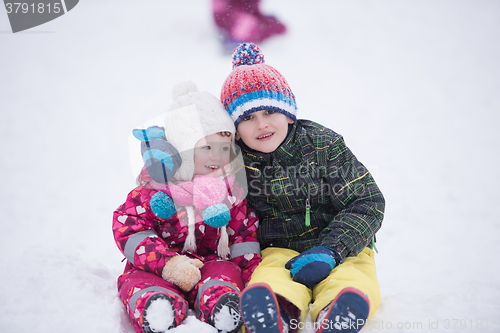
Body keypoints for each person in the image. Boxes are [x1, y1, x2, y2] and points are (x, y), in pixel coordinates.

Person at [218, 43, 385, 333]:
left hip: (341, 246)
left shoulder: (323, 145)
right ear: (235, 129)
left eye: (270, 111)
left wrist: (332, 250)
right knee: (269, 277)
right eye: (247, 118)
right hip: (278, 249)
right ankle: (274, 313)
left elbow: (367, 201)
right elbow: (196, 175)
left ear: (289, 113)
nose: (261, 125)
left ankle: (338, 312)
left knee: (352, 275)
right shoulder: (234, 160)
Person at [112, 81, 261, 333]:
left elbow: (243, 235)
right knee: (138, 281)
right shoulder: (156, 188)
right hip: (158, 266)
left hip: (211, 262)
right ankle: (157, 306)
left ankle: (222, 307)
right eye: (206, 148)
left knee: (225, 274)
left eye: (223, 148)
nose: (217, 156)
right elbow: (130, 229)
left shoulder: (230, 191)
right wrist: (167, 263)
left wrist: (253, 277)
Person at [211, 0, 286, 50]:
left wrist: (264, 19)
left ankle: (241, 40)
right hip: (229, 17)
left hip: (248, 18)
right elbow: (219, 10)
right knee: (248, 22)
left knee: (275, 26)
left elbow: (253, 10)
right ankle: (235, 42)